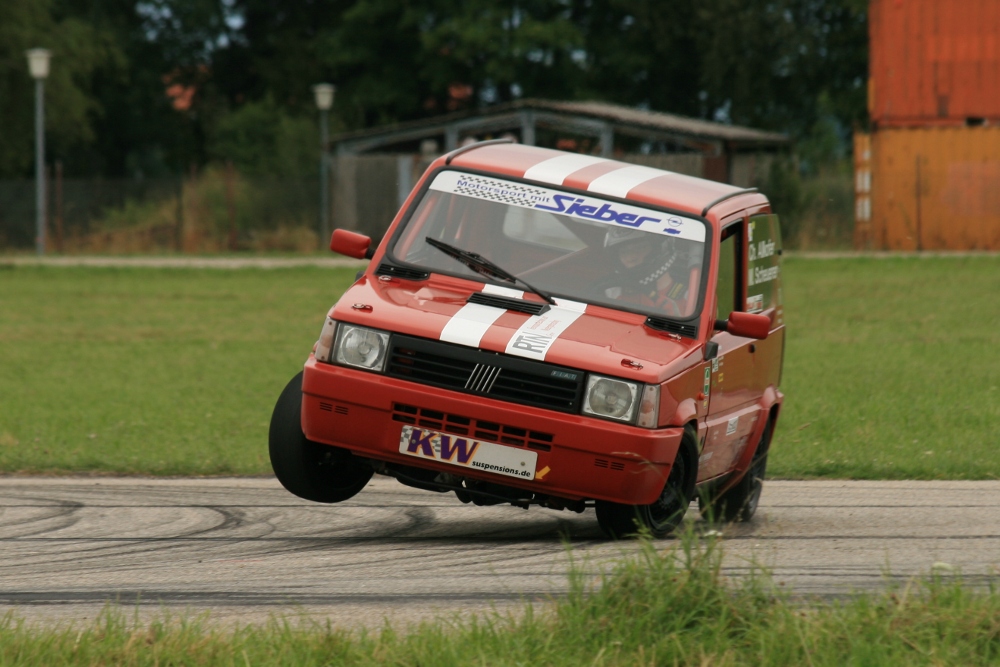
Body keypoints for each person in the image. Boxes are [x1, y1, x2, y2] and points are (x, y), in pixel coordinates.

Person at [602, 227, 688, 316]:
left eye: (640, 248)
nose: (630, 258)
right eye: (623, 252)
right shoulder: (611, 292)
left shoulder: (690, 298)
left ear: (660, 249)